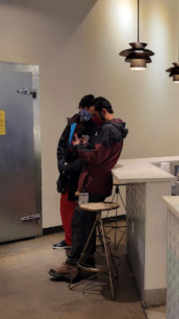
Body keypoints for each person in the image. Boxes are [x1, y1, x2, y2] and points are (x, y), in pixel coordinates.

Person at [50, 97, 128, 280]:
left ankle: (73, 266)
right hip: (92, 184)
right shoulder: (112, 129)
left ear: (102, 111)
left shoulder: (109, 130)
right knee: (84, 226)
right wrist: (85, 147)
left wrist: (79, 148)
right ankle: (84, 264)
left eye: (93, 113)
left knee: (80, 225)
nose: (92, 117)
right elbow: (96, 151)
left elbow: (96, 158)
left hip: (94, 184)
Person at [53, 94, 100, 250]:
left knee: (82, 214)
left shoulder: (96, 128)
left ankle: (80, 246)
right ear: (79, 108)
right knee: (66, 210)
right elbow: (61, 146)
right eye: (82, 108)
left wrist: (71, 166)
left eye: (88, 109)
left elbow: (92, 155)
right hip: (67, 175)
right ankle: (69, 241)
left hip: (84, 178)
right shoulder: (72, 123)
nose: (84, 111)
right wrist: (62, 165)